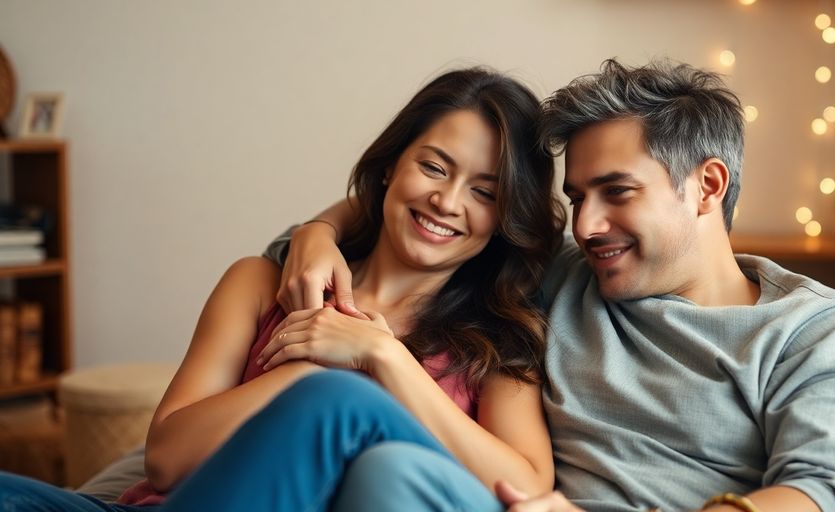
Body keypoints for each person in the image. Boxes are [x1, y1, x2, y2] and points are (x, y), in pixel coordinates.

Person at [266, 59, 835, 512]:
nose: (588, 224)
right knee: (390, 472)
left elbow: (830, 491)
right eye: (577, 197)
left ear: (707, 186)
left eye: (617, 192)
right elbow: (434, 215)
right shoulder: (563, 275)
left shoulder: (819, 331)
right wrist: (318, 233)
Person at [0, 67, 564, 511]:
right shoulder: (259, 283)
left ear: (504, 218)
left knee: (341, 401)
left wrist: (380, 356)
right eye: (435, 167)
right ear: (392, 165)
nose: (447, 202)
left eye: (485, 193)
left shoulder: (497, 339)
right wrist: (310, 364)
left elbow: (526, 484)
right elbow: (167, 461)